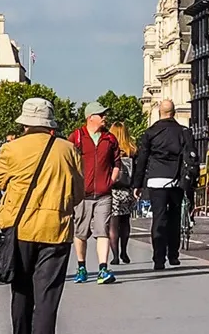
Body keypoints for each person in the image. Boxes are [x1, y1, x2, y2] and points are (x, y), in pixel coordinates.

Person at [0, 96, 84, 334]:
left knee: (21, 292)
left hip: (21, 230)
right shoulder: (68, 150)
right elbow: (79, 192)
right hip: (56, 229)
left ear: (25, 123)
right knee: (47, 299)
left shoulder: (11, 149)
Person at [134, 98, 200, 271]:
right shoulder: (184, 132)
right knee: (174, 218)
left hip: (156, 179)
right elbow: (191, 156)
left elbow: (142, 159)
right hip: (177, 180)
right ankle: (173, 255)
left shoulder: (150, 132)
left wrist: (137, 184)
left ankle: (158, 258)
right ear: (174, 113)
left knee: (159, 219)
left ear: (159, 112)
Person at [68, 102, 125, 282]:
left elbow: (117, 162)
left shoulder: (110, 138)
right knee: (81, 232)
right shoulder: (76, 137)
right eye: (101, 115)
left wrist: (111, 180)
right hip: (82, 194)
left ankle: (103, 269)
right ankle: (81, 267)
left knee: (103, 230)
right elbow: (68, 162)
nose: (104, 118)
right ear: (90, 117)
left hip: (103, 194)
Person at [108, 127, 137, 265]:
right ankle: (124, 251)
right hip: (127, 191)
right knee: (125, 222)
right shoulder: (131, 150)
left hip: (113, 191)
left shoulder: (111, 149)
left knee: (113, 224)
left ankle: (115, 256)